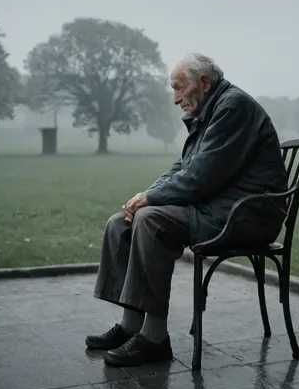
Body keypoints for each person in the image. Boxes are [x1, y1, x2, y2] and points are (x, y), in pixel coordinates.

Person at [85, 53, 288, 367]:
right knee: (119, 223)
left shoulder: (232, 107)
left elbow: (201, 177)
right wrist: (146, 195)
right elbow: (184, 167)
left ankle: (154, 339)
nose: (175, 98)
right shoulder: (211, 109)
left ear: (204, 83)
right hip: (217, 208)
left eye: (179, 88)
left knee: (150, 220)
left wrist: (150, 201)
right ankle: (130, 325)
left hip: (246, 216)